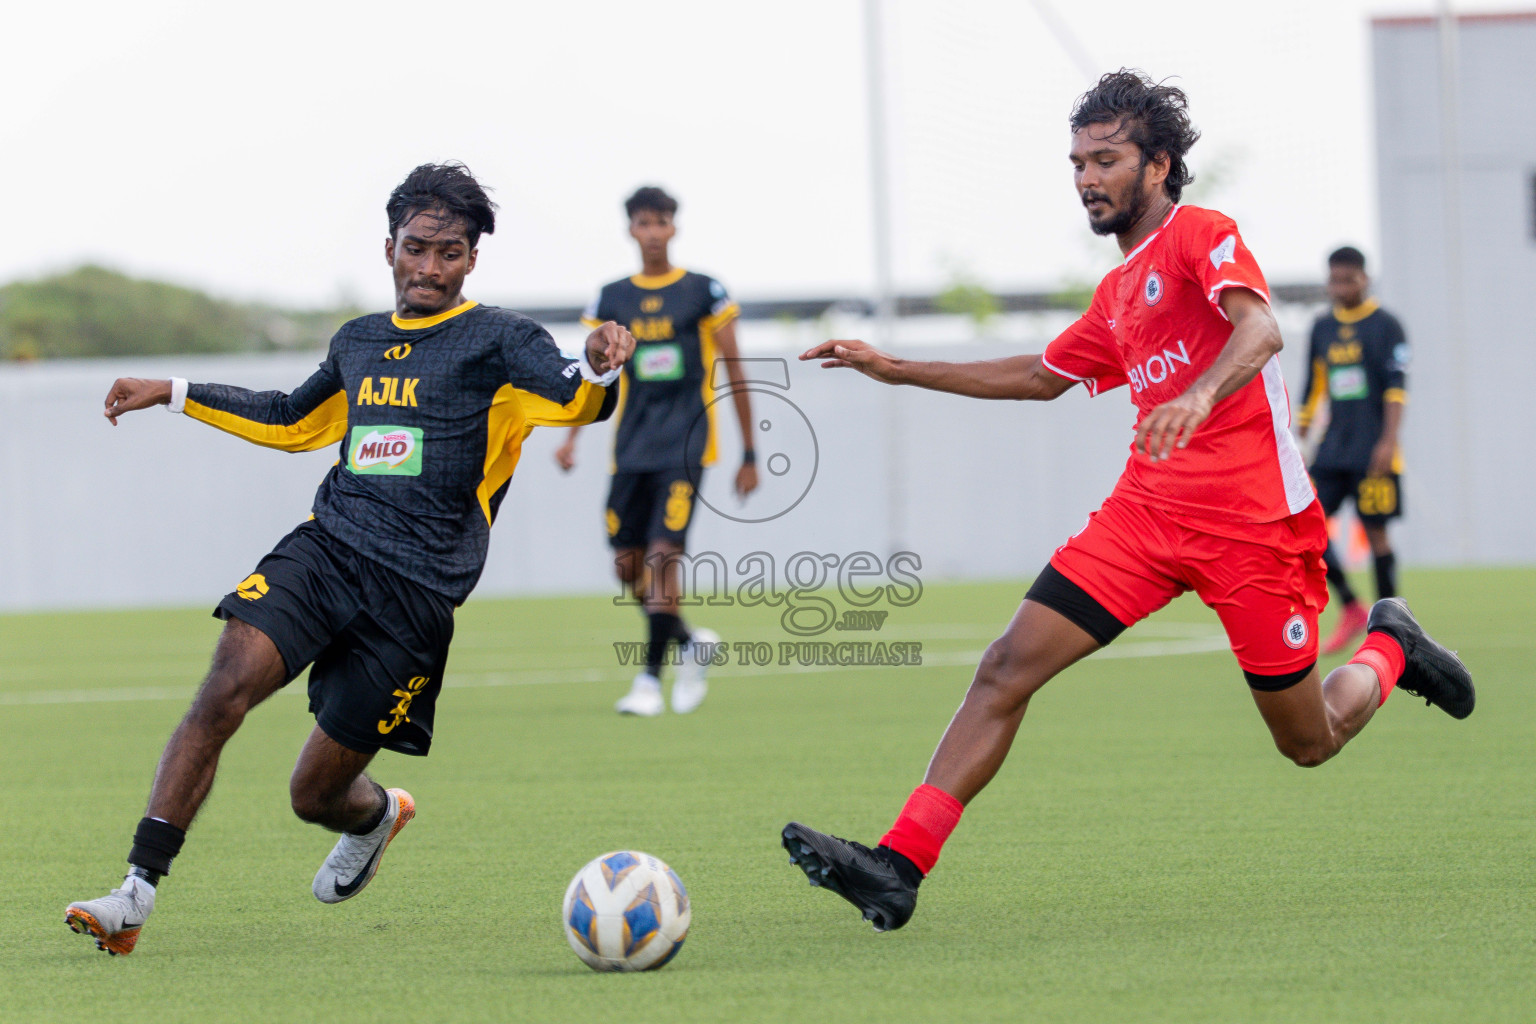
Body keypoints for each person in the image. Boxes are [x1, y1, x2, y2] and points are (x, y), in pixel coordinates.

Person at [780, 70, 1473, 933]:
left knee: (1309, 741)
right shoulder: (1115, 295)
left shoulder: (1201, 234)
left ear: (1159, 165)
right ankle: (898, 864)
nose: (1085, 179)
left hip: (1252, 531)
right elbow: (1040, 376)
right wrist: (896, 366)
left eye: (1105, 159)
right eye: (1076, 162)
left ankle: (1390, 649)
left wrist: (1200, 394)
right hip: (1145, 519)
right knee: (1006, 666)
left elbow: (1260, 328)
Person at [64, 163, 635, 956]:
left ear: (472, 260)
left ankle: (374, 817)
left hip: (417, 593)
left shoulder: (499, 341)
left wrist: (605, 358)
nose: (430, 267)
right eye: (417, 248)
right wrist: (175, 389)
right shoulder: (359, 341)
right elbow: (293, 420)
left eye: (450, 252)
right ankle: (135, 893)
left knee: (313, 794)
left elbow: (578, 395)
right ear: (391, 248)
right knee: (223, 691)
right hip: (327, 549)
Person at [555, 186, 758, 716]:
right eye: (643, 223)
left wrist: (750, 454)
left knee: (665, 558)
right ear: (630, 229)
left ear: (674, 227)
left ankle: (648, 682)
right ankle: (691, 641)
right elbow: (592, 370)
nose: (652, 232)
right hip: (631, 448)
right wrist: (572, 436)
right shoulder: (610, 298)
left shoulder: (703, 291)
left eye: (661, 222)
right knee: (628, 566)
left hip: (685, 448)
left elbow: (735, 369)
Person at [1297, 246, 1409, 654]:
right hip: (1333, 450)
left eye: (1348, 279)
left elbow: (1397, 390)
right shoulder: (1322, 327)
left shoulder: (1386, 326)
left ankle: (1394, 628)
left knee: (1376, 533)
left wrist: (1388, 442)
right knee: (1305, 523)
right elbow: (1313, 385)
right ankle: (1351, 606)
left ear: (1365, 278)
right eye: (1334, 280)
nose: (1339, 287)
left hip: (1374, 450)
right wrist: (1302, 433)